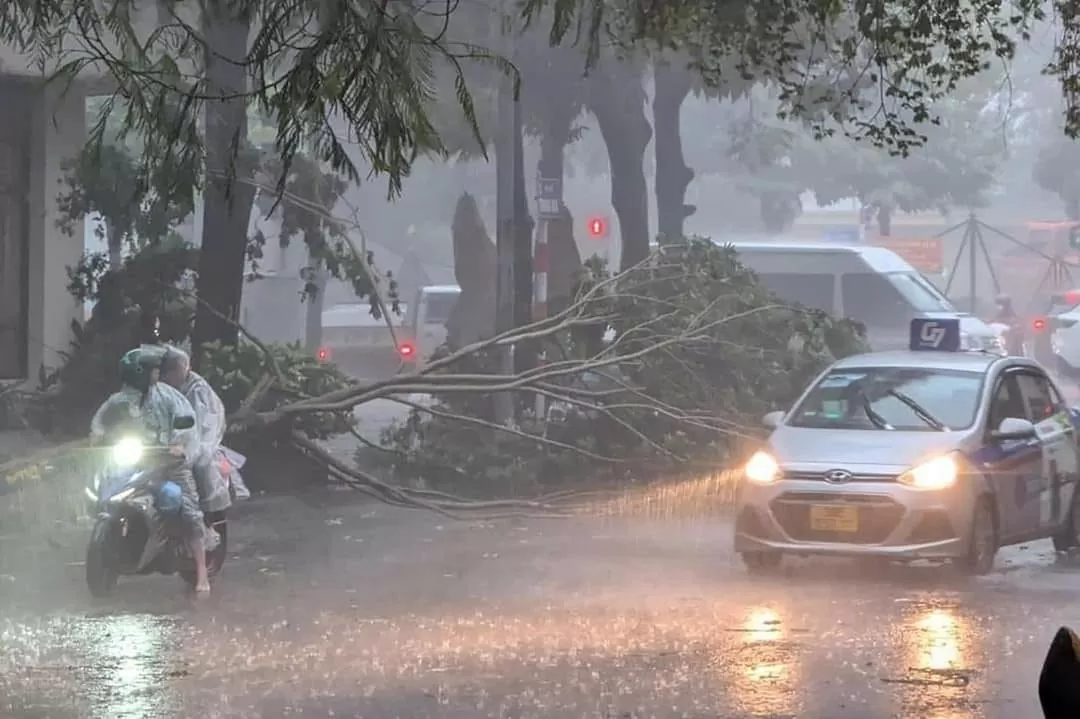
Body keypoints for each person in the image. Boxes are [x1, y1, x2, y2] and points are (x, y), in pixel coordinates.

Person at [89, 346, 213, 595]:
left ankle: (202, 574)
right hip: (135, 463)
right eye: (153, 370)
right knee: (104, 490)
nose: (156, 374)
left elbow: (187, 421)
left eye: (156, 370)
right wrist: (97, 434)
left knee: (189, 511)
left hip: (168, 464)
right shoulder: (121, 399)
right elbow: (102, 419)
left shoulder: (169, 397)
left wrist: (179, 444)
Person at [159, 346, 238, 512]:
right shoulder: (161, 388)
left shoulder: (197, 390)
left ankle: (210, 508)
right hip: (168, 437)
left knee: (200, 462)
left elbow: (202, 423)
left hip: (201, 434)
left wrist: (186, 442)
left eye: (171, 371)